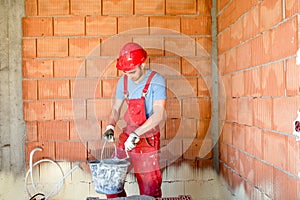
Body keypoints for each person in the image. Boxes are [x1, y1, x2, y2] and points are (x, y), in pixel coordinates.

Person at [103, 42, 166, 198]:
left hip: (148, 139)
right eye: (125, 72)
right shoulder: (123, 81)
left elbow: (158, 114)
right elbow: (116, 109)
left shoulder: (156, 80)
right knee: (111, 180)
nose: (128, 76)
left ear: (142, 64)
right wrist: (111, 125)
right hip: (127, 136)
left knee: (149, 189)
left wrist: (137, 134)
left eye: (131, 72)